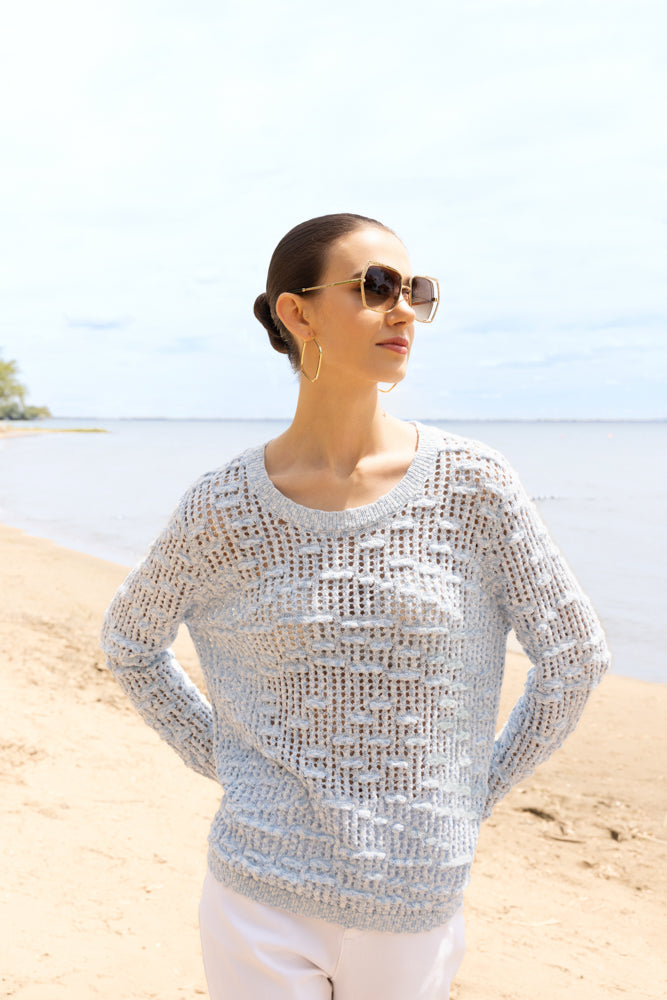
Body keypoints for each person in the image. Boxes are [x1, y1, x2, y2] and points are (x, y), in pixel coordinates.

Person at [100, 212, 610, 999]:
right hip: (255, 894)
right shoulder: (223, 507)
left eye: (416, 291)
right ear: (294, 313)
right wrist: (229, 762)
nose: (402, 309)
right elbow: (132, 642)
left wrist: (470, 790)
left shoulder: (473, 485)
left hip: (412, 897)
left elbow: (574, 656)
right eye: (375, 287)